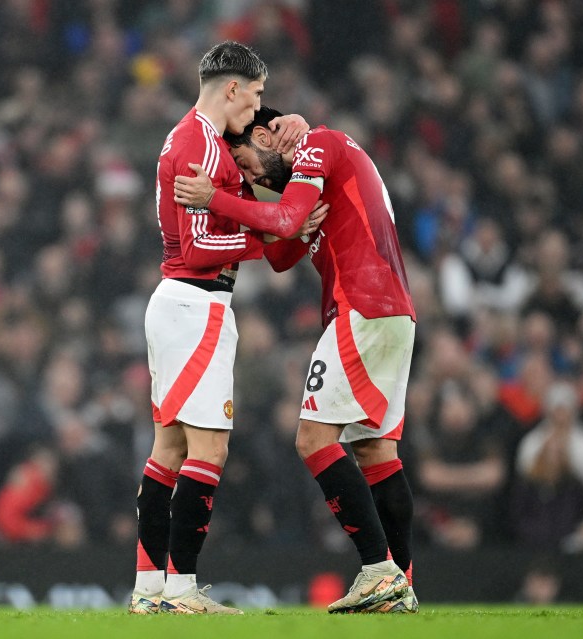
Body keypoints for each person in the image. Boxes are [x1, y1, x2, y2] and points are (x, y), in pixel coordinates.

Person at [174, 106, 419, 614]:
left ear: (267, 134)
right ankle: (400, 586)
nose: (251, 177)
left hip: (362, 304)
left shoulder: (319, 144)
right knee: (376, 453)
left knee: (312, 438)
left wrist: (214, 198)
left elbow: (285, 223)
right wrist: (258, 208)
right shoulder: (312, 173)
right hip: (391, 312)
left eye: (246, 162)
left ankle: (378, 571)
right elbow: (283, 253)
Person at [131, 42, 318, 615]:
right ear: (232, 88)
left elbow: (261, 132)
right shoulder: (200, 147)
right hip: (196, 303)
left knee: (169, 448)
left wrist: (292, 119)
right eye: (256, 95)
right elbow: (199, 247)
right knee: (208, 449)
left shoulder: (196, 134)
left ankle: (148, 590)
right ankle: (183, 591)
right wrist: (274, 236)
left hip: (180, 305)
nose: (259, 108)